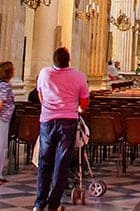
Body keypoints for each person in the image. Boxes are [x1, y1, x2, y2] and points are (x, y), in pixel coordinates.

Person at [35, 47, 90, 211]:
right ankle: (54, 204)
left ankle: (39, 204)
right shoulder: (79, 76)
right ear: (69, 60)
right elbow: (85, 103)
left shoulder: (44, 73)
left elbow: (40, 95)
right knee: (61, 164)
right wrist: (76, 107)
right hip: (68, 122)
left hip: (47, 121)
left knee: (44, 162)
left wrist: (49, 107)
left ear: (54, 60)